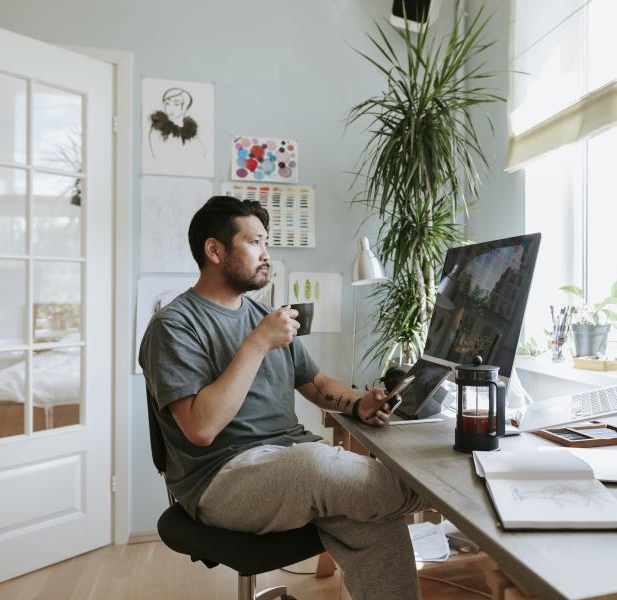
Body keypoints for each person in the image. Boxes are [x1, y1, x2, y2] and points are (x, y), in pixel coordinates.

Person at [139, 196, 424, 600]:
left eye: (267, 243)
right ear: (215, 250)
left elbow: (318, 382)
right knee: (319, 464)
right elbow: (200, 429)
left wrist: (358, 402)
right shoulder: (174, 326)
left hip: (291, 463)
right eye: (255, 243)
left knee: (373, 519)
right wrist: (256, 344)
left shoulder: (265, 316)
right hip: (221, 478)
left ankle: (424, 493)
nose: (266, 255)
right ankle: (438, 495)